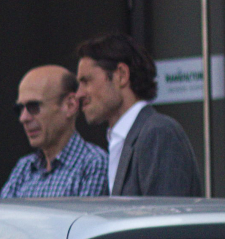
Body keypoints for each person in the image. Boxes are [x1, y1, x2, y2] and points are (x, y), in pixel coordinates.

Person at [75, 33, 203, 198]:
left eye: (86, 81)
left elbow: (164, 218)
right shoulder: (124, 139)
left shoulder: (158, 133)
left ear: (121, 75)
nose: (78, 94)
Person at [0, 64, 110, 198]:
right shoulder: (25, 167)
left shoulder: (93, 165)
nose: (23, 118)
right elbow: (1, 218)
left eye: (33, 106)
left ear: (70, 105)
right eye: (19, 109)